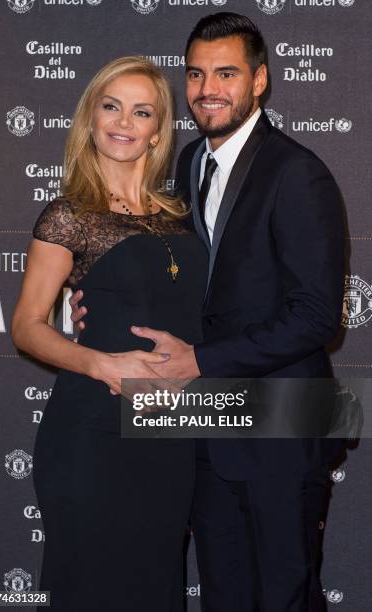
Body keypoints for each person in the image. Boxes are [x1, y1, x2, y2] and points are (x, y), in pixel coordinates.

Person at [71, 14, 346, 612]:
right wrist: (97, 291)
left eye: (226, 73)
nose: (207, 89)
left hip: (278, 428)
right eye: (195, 74)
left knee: (283, 597)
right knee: (225, 595)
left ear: (260, 81)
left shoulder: (297, 174)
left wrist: (201, 359)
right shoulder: (188, 163)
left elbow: (317, 314)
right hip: (204, 431)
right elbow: (177, 277)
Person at [11, 56, 208, 611]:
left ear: (157, 130)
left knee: (155, 588)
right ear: (91, 118)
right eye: (111, 106)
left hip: (169, 436)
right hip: (92, 431)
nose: (123, 122)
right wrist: (99, 362)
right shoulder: (69, 216)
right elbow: (26, 326)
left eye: (140, 111)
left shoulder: (182, 217)